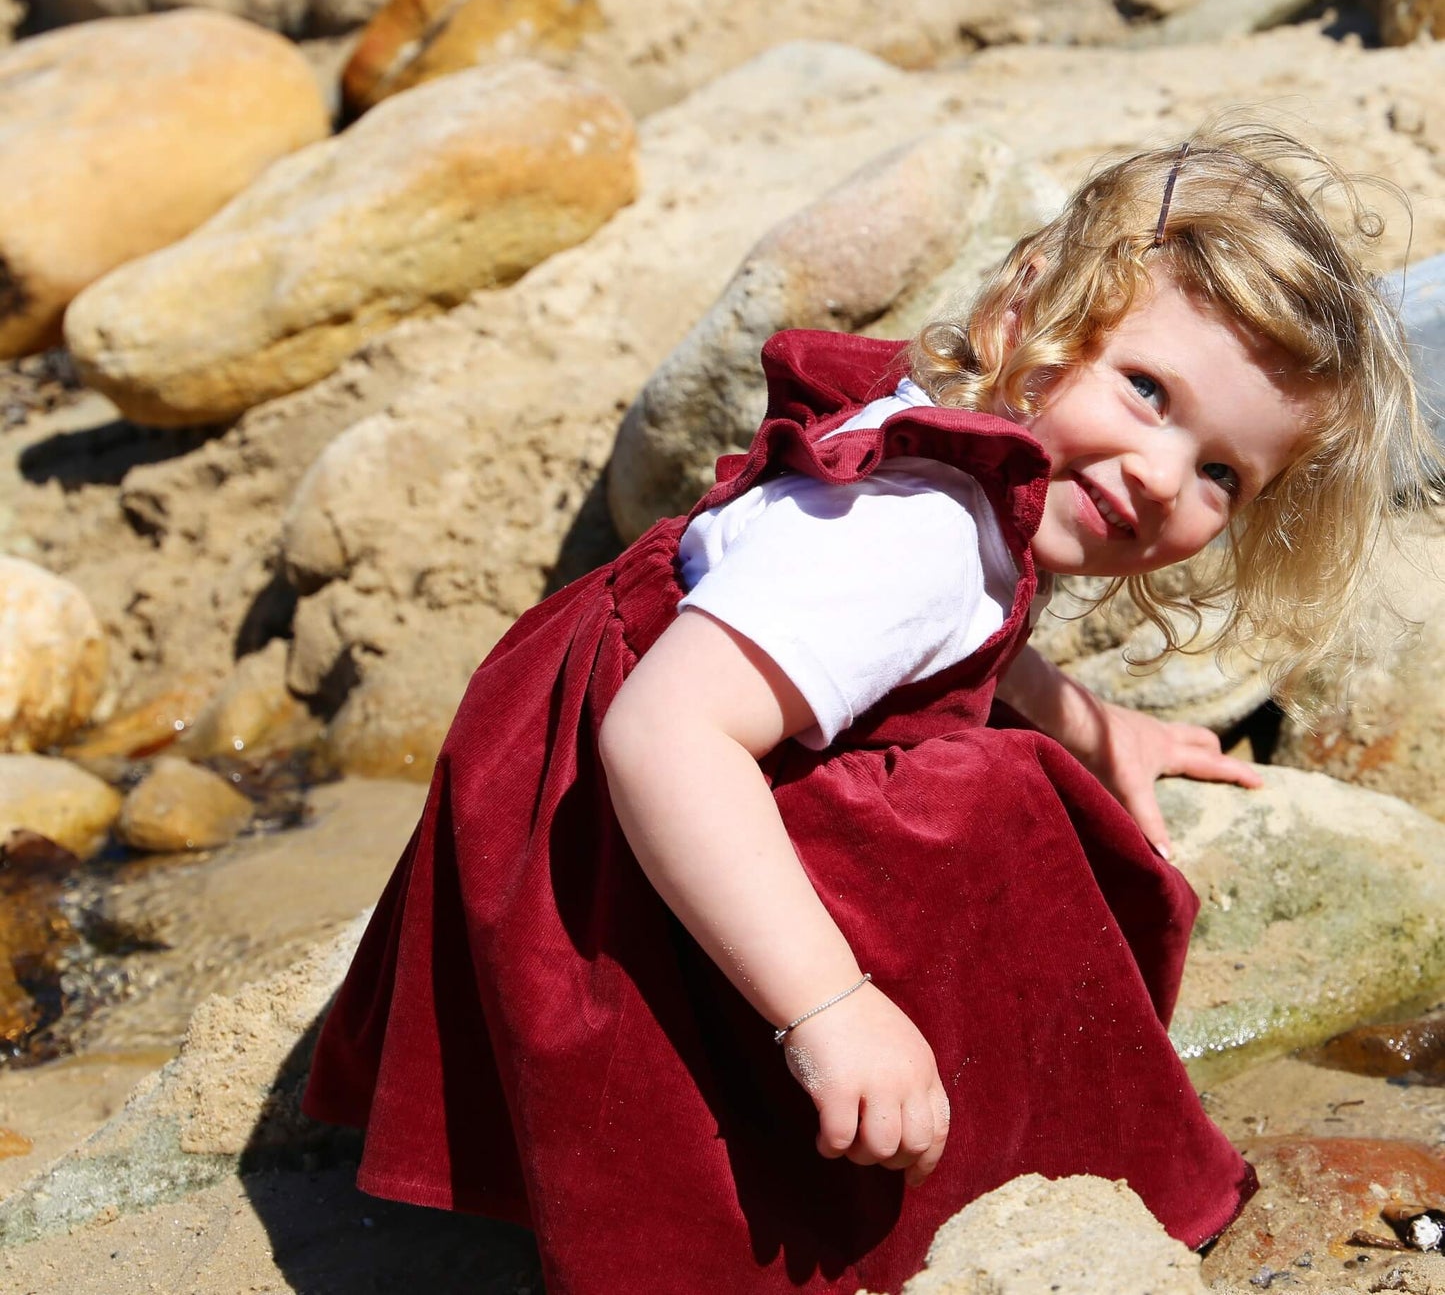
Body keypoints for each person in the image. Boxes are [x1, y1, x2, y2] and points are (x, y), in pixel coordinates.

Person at [302, 124, 1439, 1294]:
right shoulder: (916, 538)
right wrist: (829, 1008)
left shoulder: (954, 464)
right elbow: (663, 736)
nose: (1160, 474)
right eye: (1145, 391)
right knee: (1004, 822)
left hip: (634, 741)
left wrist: (1103, 729)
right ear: (1025, 316)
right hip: (655, 798)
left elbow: (948, 649)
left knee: (1007, 772)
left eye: (1220, 475)